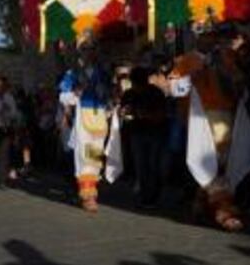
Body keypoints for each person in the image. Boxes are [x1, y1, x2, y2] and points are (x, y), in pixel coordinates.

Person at [166, 24, 250, 232]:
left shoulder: (226, 57)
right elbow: (173, 88)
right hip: (201, 119)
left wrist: (237, 81)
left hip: (226, 116)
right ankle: (224, 209)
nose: (211, 40)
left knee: (222, 163)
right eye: (207, 36)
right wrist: (191, 79)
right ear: (198, 37)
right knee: (212, 163)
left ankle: (201, 204)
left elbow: (240, 81)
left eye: (213, 36)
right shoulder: (186, 60)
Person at [58, 38, 121, 212]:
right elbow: (62, 96)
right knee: (83, 156)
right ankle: (87, 195)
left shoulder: (103, 72)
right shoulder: (73, 73)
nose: (90, 52)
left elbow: (109, 94)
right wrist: (75, 93)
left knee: (95, 155)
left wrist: (113, 97)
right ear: (81, 52)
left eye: (92, 49)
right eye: (86, 49)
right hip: (82, 118)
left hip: (99, 117)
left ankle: (92, 188)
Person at [120, 66, 168, 208]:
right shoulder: (129, 93)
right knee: (141, 166)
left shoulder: (155, 93)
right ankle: (146, 196)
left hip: (155, 133)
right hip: (137, 134)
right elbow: (123, 110)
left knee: (154, 165)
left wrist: (145, 115)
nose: (136, 87)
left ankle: (153, 196)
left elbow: (161, 115)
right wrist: (123, 112)